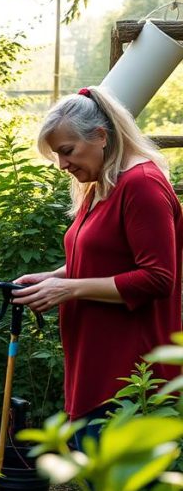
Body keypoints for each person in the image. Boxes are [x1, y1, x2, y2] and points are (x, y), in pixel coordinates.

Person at [13, 86, 183, 448]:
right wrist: (53, 278)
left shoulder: (142, 185)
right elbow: (102, 259)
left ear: (101, 136)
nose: (62, 165)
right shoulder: (102, 184)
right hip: (95, 366)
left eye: (67, 151)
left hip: (132, 377)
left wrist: (69, 289)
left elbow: (158, 277)